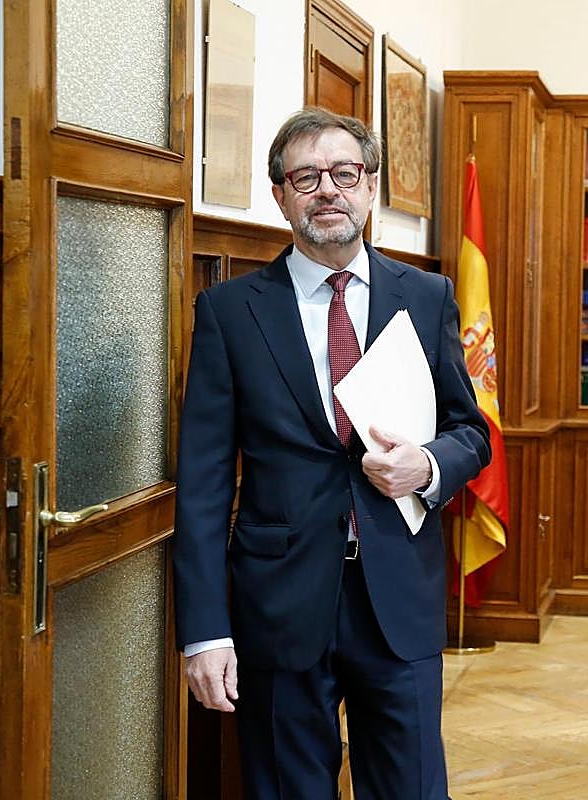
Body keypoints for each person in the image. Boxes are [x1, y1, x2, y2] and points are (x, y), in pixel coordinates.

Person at [173, 106, 490, 800]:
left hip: (397, 600)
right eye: (306, 177)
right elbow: (199, 485)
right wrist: (204, 634)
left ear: (370, 187)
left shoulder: (427, 296)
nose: (328, 191)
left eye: (344, 174)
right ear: (281, 195)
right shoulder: (230, 313)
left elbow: (473, 433)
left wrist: (428, 467)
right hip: (279, 607)